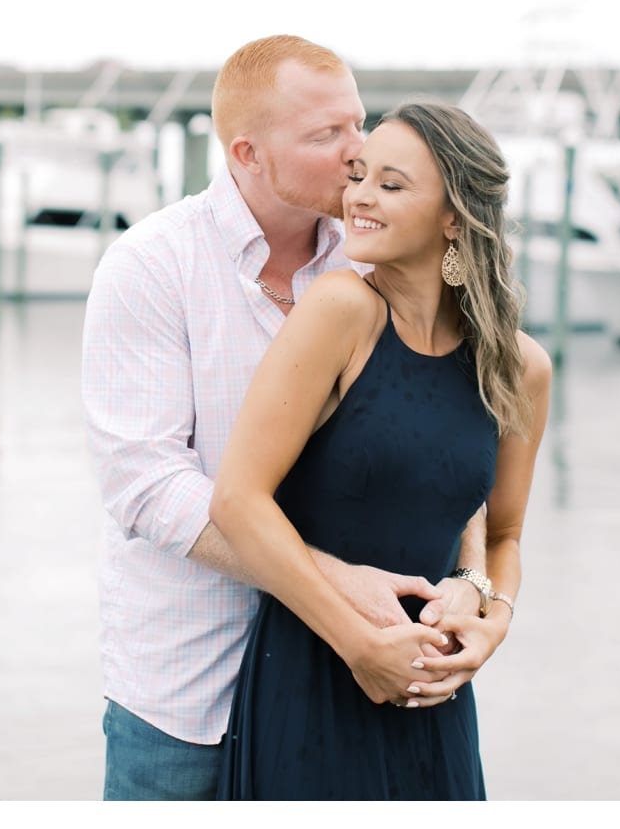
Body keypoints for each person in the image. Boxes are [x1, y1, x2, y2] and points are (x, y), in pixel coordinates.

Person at [81, 37, 508, 801]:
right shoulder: (150, 266)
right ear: (248, 151)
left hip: (350, 692)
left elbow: (452, 445)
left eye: (360, 123)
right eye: (328, 136)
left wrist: (474, 582)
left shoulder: (379, 257)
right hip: (190, 688)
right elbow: (143, 485)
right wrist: (329, 582)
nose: (359, 154)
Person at [208, 101, 552, 800]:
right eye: (360, 176)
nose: (359, 196)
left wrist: (488, 621)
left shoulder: (519, 368)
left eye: (391, 185)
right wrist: (359, 645)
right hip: (312, 678)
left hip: (435, 697)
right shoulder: (341, 311)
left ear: (454, 216)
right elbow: (238, 501)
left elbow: (507, 531)